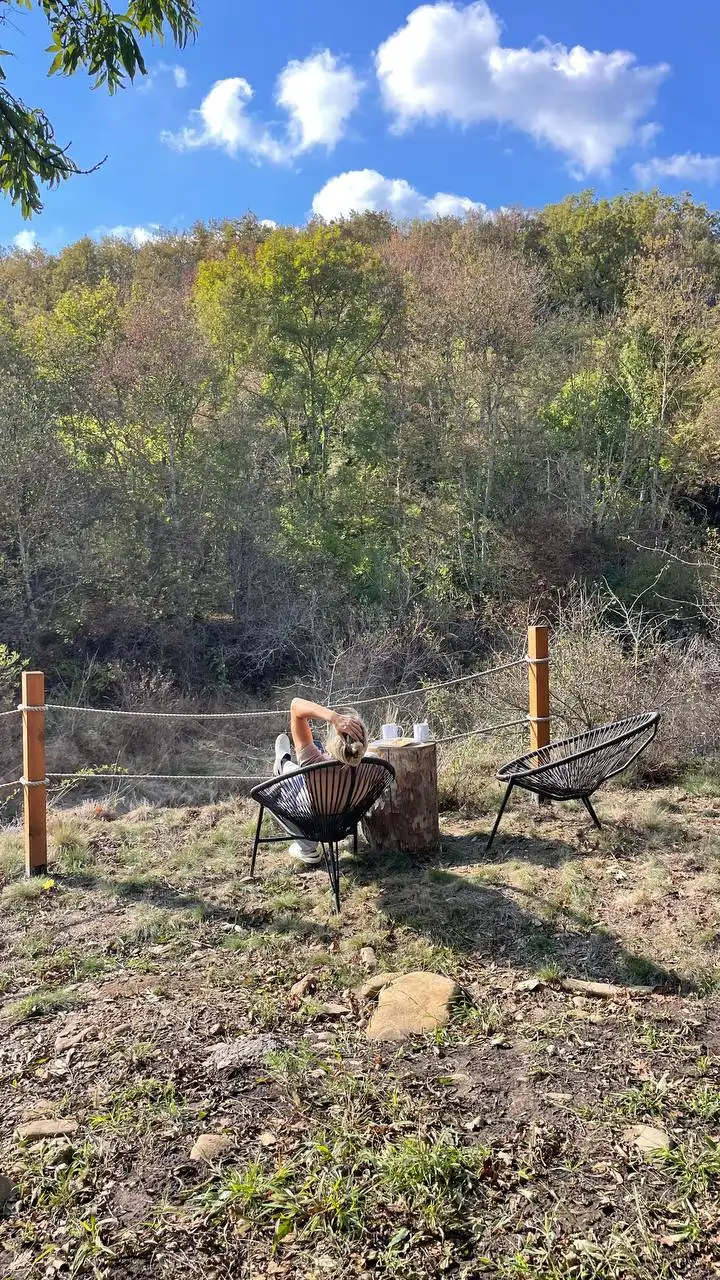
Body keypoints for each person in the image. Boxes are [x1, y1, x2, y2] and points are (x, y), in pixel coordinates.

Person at [273, 697, 368, 866]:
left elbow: (296, 706)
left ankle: (307, 848)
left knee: (281, 785)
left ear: (334, 738)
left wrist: (334, 717)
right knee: (297, 775)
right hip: (343, 823)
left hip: (312, 823)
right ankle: (284, 763)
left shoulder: (314, 761)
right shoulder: (372, 767)